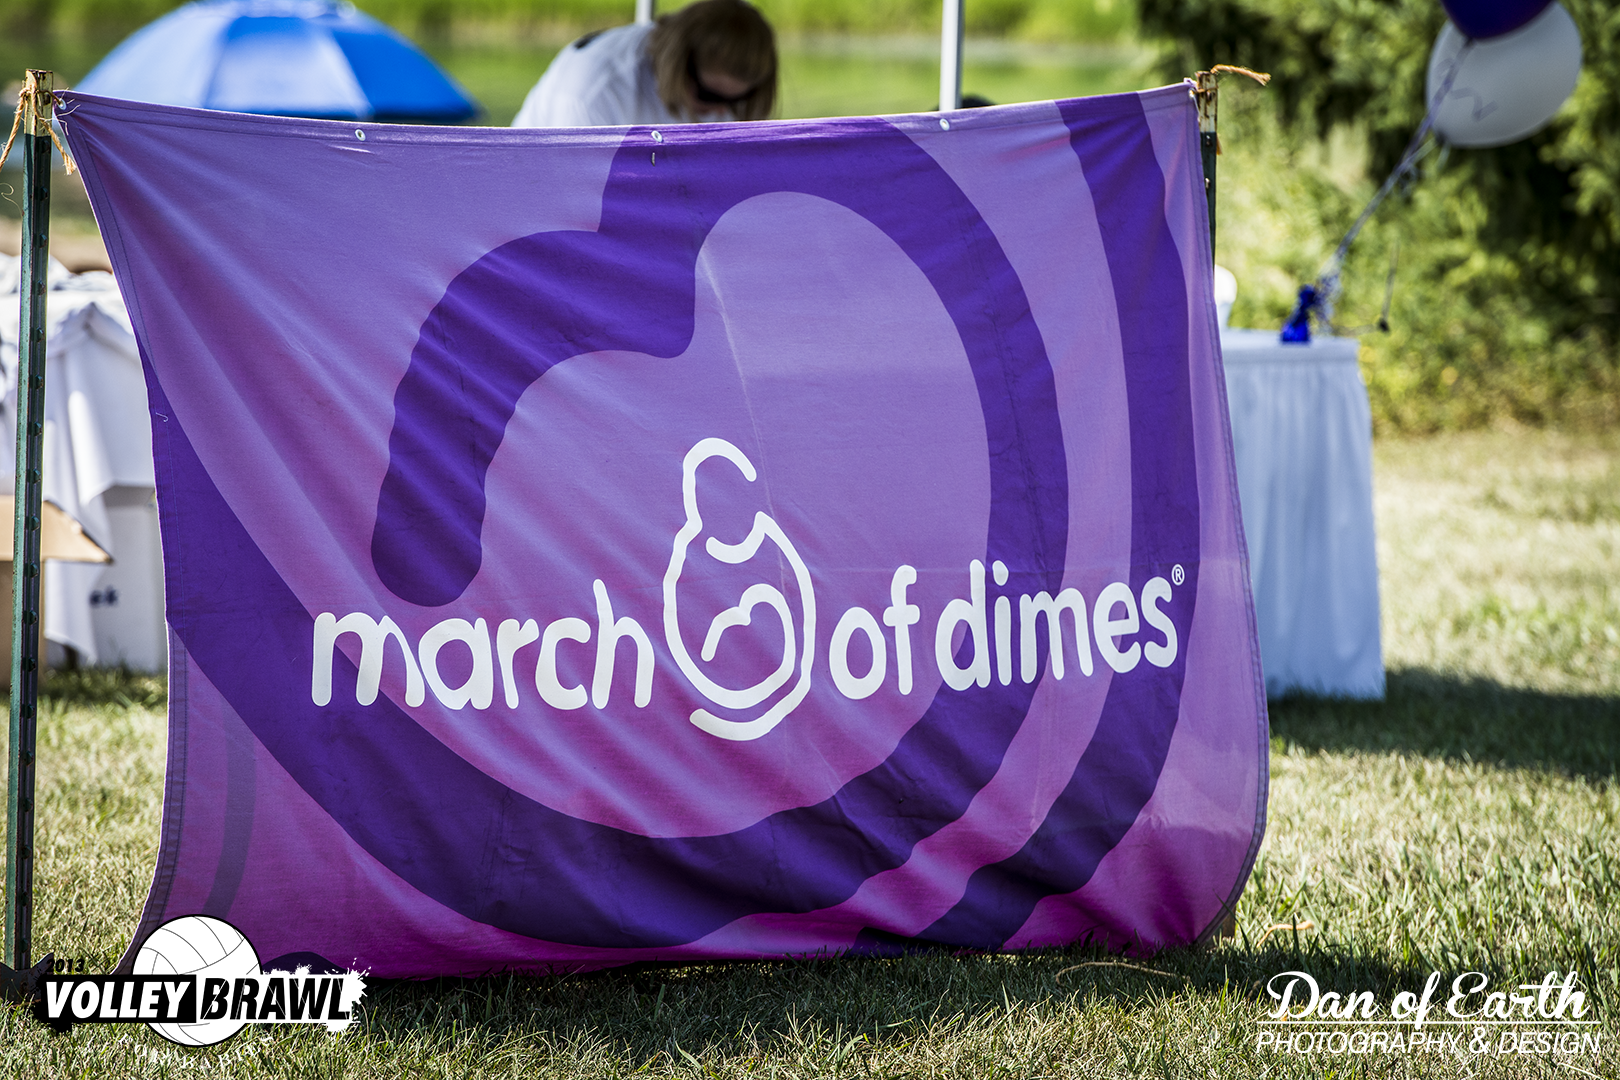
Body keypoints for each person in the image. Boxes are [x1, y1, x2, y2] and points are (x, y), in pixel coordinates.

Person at [512, 0, 776, 128]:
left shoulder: (713, 89)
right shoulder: (594, 92)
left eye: (738, 99)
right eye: (709, 96)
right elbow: (577, 201)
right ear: (677, 65)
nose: (721, 111)